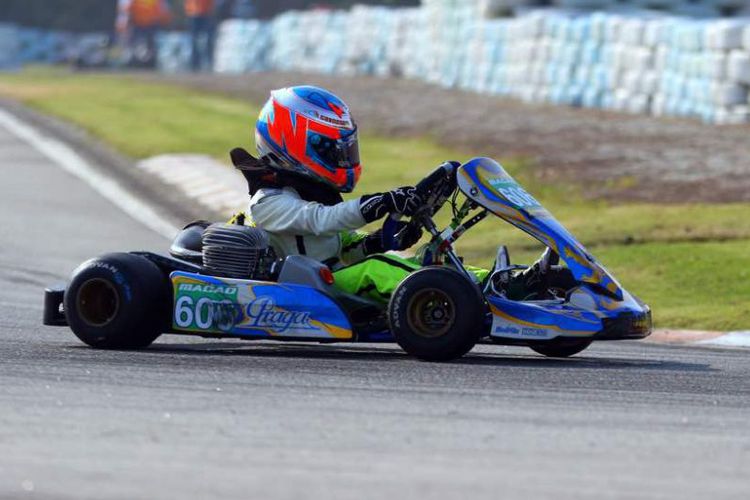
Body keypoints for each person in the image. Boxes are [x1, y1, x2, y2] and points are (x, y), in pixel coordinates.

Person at [243, 85, 435, 303]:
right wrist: (379, 203)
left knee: (426, 265)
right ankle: (454, 294)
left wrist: (378, 242)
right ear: (293, 142)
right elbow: (320, 219)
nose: (342, 158)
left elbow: (340, 248)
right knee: (377, 269)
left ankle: (478, 286)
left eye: (346, 150)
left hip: (327, 279)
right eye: (332, 149)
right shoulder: (267, 202)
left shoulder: (309, 192)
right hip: (303, 289)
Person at [184, 0, 217, 71]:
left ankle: (208, 63)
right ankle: (195, 64)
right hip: (194, 13)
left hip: (206, 13)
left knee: (208, 40)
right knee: (194, 41)